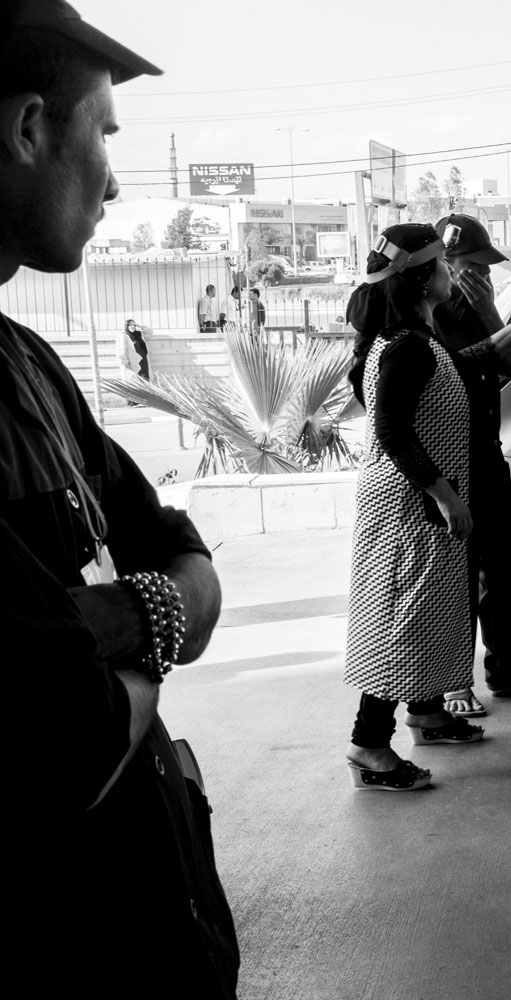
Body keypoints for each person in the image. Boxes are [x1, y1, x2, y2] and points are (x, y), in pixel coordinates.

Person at [0, 2, 237, 993]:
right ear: (26, 131)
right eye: (101, 130)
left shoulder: (31, 366)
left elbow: (193, 570)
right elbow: (66, 745)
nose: (113, 174)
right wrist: (144, 638)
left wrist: (128, 614)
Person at [343, 223, 511, 790]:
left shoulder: (415, 338)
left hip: (418, 504)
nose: (452, 274)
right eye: (441, 266)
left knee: (426, 611)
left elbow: (463, 364)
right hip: (411, 506)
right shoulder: (407, 346)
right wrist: (444, 494)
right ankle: (369, 747)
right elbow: (390, 427)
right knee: (402, 622)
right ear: (421, 279)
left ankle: (427, 712)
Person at [430, 213, 511, 717]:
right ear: (445, 264)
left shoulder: (480, 309)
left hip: (486, 454)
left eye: (488, 269)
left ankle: (504, 662)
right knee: (457, 571)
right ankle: (453, 680)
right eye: (473, 267)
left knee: (500, 562)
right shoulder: (431, 317)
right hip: (449, 461)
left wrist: (491, 311)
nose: (482, 276)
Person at [115, 317, 148, 402]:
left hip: (143, 361)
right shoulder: (123, 336)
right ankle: (132, 402)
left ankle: (143, 400)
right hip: (132, 362)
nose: (133, 326)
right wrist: (124, 362)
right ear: (126, 326)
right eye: (130, 325)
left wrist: (139, 326)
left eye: (134, 325)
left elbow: (150, 332)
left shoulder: (139, 334)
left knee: (143, 379)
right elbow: (120, 350)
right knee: (132, 381)